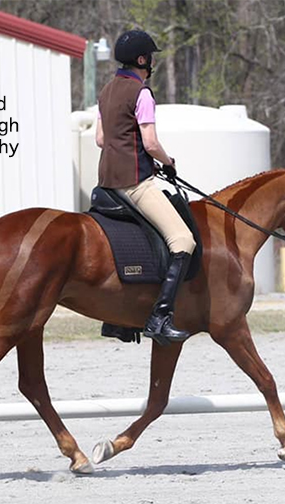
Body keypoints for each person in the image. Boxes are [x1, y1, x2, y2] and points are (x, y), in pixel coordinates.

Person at [95, 29, 196, 346]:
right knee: (183, 241)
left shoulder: (106, 91)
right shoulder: (142, 93)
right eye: (149, 57)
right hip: (135, 183)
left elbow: (100, 139)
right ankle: (160, 317)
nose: (151, 62)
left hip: (106, 184)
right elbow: (150, 143)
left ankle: (118, 320)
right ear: (142, 60)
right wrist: (168, 162)